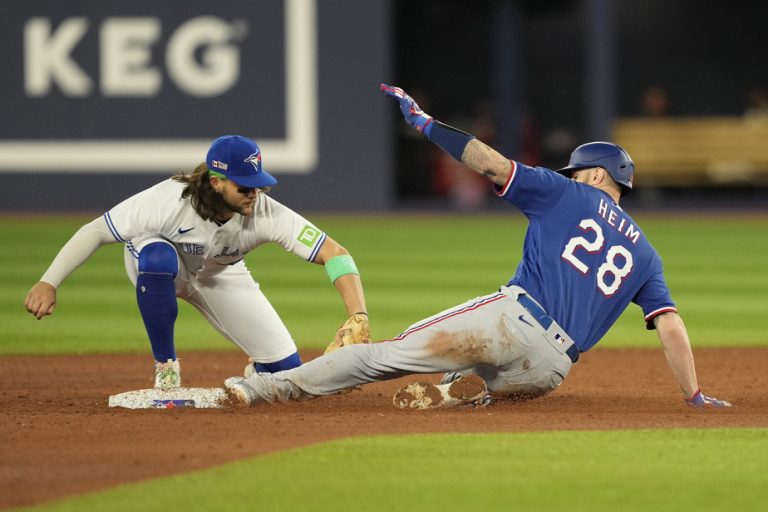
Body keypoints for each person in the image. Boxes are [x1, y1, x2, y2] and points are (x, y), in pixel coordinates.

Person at [223, 85, 730, 410]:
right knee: (479, 374)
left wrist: (426, 125)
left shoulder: (566, 192)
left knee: (382, 356)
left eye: (576, 171)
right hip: (551, 371)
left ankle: (261, 389)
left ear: (595, 175)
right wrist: (694, 395)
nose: (569, 176)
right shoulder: (646, 254)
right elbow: (670, 325)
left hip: (514, 323)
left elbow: (491, 163)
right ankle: (455, 392)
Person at [24, 135, 370, 388]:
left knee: (285, 372)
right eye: (244, 186)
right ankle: (166, 367)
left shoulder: (265, 211)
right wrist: (49, 281)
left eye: (258, 185)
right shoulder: (166, 200)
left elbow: (335, 254)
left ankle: (259, 369)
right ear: (217, 182)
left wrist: (358, 314)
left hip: (221, 274)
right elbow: (95, 231)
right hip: (159, 262)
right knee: (158, 257)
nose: (254, 194)